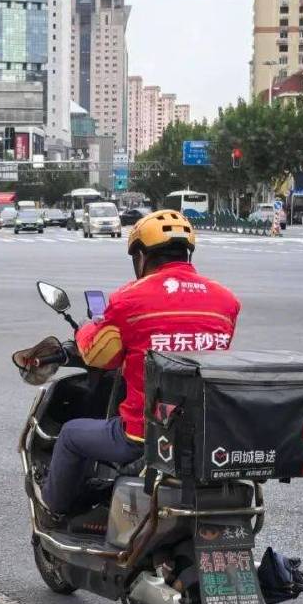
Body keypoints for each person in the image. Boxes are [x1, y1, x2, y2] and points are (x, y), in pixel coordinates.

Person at [37, 210, 242, 521]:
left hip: (144, 435)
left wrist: (85, 328)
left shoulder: (127, 300)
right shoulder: (226, 299)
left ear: (142, 256)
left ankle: (56, 509)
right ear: (187, 253)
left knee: (70, 434)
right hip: (205, 429)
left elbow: (97, 356)